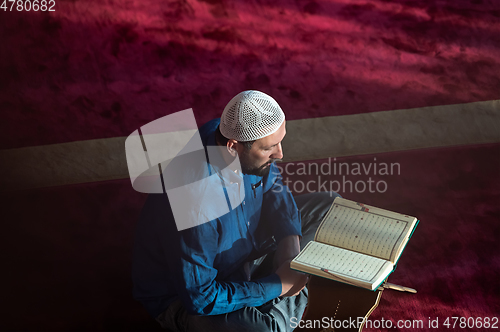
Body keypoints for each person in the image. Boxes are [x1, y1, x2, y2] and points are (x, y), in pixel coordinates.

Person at [132, 90, 339, 332]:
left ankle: (284, 293)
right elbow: (201, 298)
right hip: (191, 296)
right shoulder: (196, 207)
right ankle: (291, 294)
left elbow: (272, 184)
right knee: (261, 330)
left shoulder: (221, 132)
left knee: (331, 208)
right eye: (269, 148)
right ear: (233, 148)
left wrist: (289, 242)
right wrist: (278, 285)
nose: (280, 154)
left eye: (280, 142)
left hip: (246, 251)